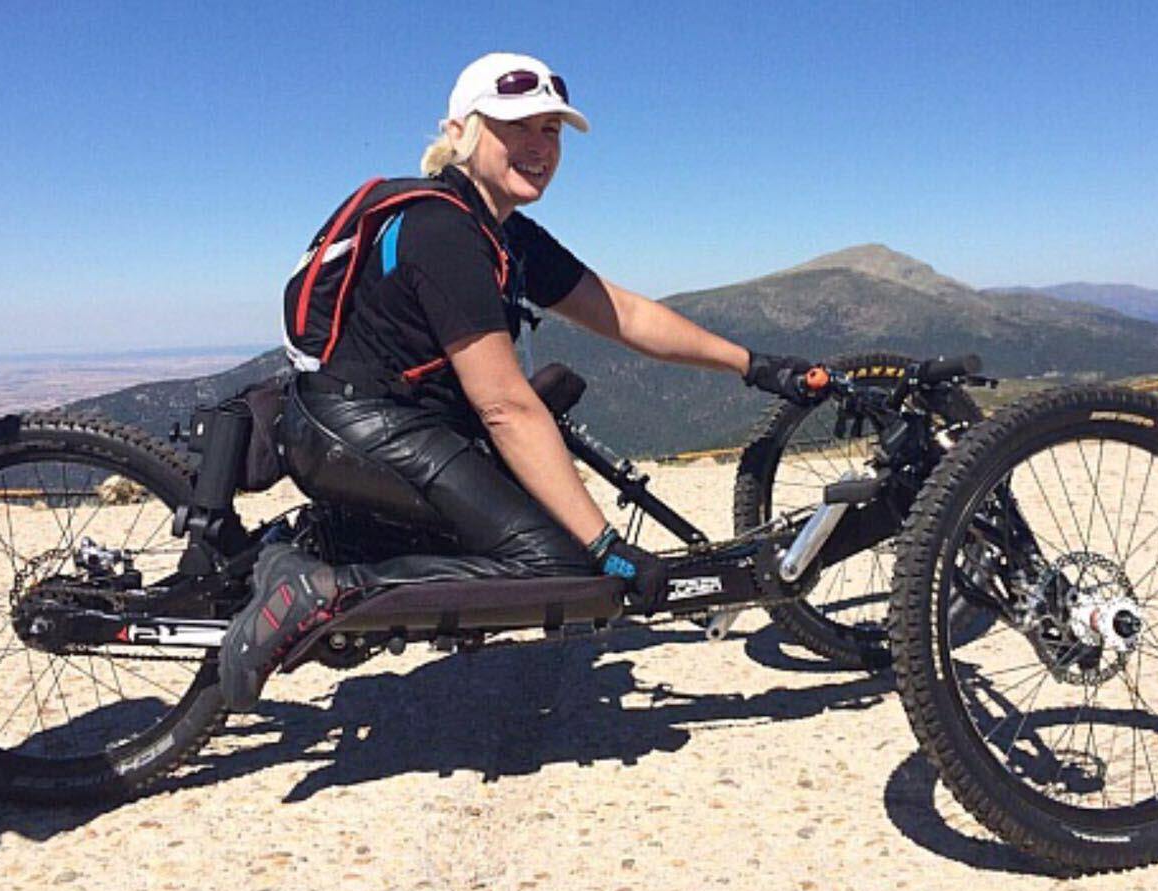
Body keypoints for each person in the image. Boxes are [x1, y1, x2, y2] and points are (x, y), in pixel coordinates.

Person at [219, 52, 818, 711]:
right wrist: (607, 547)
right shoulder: (443, 231)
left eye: (552, 132)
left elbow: (627, 316)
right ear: (460, 134)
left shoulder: (503, 231)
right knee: (559, 568)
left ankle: (315, 548)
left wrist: (754, 365)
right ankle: (320, 590)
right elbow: (505, 405)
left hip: (368, 419)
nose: (539, 148)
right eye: (517, 128)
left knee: (533, 515)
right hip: (363, 429)